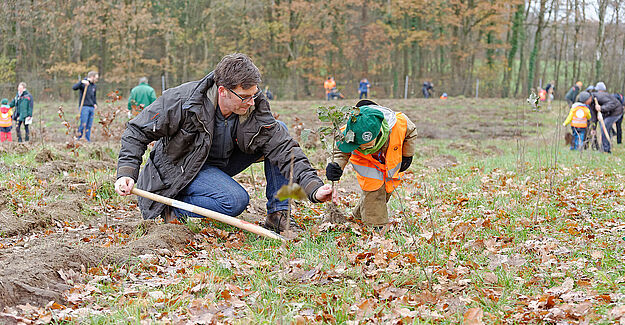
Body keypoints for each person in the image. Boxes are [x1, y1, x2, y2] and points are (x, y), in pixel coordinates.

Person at [115, 53, 333, 234]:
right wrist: (126, 172)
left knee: (280, 129)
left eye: (254, 95)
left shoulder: (253, 106)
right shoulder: (182, 101)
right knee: (234, 200)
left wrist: (313, 188)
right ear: (223, 91)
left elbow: (284, 149)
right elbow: (136, 131)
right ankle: (172, 208)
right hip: (180, 168)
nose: (251, 102)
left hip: (221, 162)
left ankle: (278, 216)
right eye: (245, 97)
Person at [325, 100, 418, 227]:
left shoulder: (400, 124)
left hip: (387, 162)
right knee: (374, 190)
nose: (363, 149)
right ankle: (376, 228)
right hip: (366, 163)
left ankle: (358, 218)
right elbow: (340, 151)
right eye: (358, 146)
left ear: (378, 133)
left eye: (367, 146)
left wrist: (407, 155)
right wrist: (336, 165)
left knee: (385, 191)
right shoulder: (346, 132)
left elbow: (411, 131)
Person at [591, 82, 623, 153]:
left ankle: (606, 149)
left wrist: (601, 108)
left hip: (616, 112)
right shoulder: (594, 99)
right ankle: (605, 146)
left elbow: (612, 104)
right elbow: (594, 115)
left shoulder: (602, 96)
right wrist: (594, 128)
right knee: (604, 126)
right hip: (608, 114)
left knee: (604, 126)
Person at [72, 71, 99, 142]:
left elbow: (94, 96)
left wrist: (95, 103)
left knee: (89, 125)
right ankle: (78, 138)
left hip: (91, 107)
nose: (97, 80)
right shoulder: (84, 84)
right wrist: (81, 82)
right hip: (84, 107)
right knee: (83, 124)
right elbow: (74, 88)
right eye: (96, 78)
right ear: (92, 77)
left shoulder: (94, 86)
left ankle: (87, 140)